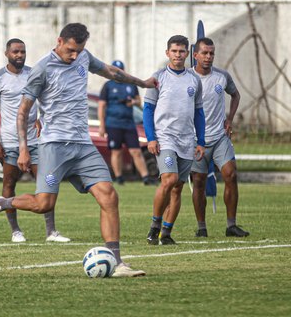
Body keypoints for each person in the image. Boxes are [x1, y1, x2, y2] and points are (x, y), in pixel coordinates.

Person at [0, 23, 157, 277]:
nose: (74, 56)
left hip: (83, 145)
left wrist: (143, 82)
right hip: (53, 146)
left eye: (78, 51)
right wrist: (24, 148)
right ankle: (2, 202)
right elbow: (23, 111)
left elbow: (111, 72)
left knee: (109, 196)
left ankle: (117, 263)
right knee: (43, 204)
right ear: (59, 41)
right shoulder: (41, 69)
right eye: (70, 50)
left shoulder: (83, 57)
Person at [0, 38, 70, 243]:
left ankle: (51, 232)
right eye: (15, 52)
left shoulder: (33, 74)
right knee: (9, 183)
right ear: (7, 53)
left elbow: (47, 100)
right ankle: (16, 231)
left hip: (36, 140)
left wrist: (42, 118)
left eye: (22, 52)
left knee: (47, 182)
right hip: (10, 142)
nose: (20, 55)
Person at [163, 38, 249, 238]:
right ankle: (201, 227)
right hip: (194, 140)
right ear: (195, 55)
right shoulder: (186, 78)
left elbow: (236, 95)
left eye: (211, 53)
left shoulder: (222, 76)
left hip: (219, 137)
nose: (208, 57)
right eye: (204, 53)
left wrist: (229, 119)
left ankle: (231, 225)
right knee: (199, 182)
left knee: (231, 174)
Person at [143, 35, 206, 245]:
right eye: (174, 51)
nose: (178, 55)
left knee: (178, 187)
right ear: (167, 53)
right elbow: (147, 110)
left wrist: (201, 141)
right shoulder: (158, 77)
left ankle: (166, 233)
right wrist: (151, 138)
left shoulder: (194, 80)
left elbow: (199, 113)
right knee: (168, 180)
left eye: (182, 51)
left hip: (187, 140)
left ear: (187, 54)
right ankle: (155, 225)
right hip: (165, 137)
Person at [98, 60, 156, 186]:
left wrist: (133, 102)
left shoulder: (131, 85)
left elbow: (138, 101)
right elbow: (101, 105)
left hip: (129, 123)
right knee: (116, 151)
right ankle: (119, 178)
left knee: (136, 151)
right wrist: (102, 126)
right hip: (113, 123)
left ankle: (145, 178)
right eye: (115, 71)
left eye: (120, 71)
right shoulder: (108, 86)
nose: (118, 74)